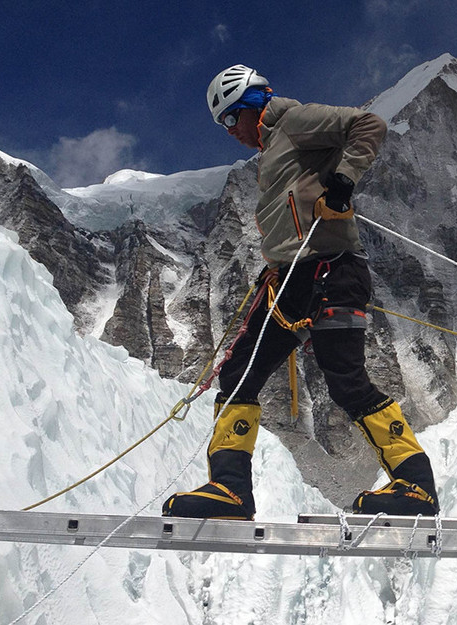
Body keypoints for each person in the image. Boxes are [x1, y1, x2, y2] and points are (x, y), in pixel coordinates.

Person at [162, 64, 440, 519]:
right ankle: (229, 490)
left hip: (333, 272)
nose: (229, 131)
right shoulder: (272, 149)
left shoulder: (293, 121)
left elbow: (368, 124)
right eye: (222, 125)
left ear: (253, 106)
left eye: (232, 118)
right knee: (237, 376)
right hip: (290, 281)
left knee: (345, 381)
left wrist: (343, 183)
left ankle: (416, 485)